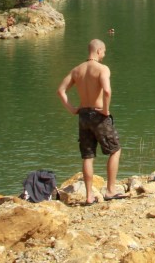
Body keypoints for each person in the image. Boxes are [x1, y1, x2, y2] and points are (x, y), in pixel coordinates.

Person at [57, 38, 123, 204]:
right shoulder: (102, 69)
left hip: (83, 116)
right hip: (99, 115)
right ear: (99, 50)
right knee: (115, 150)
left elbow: (61, 90)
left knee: (88, 156)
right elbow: (107, 91)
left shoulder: (77, 70)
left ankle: (88, 196)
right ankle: (110, 190)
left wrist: (72, 109)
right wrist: (106, 110)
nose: (104, 55)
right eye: (104, 52)